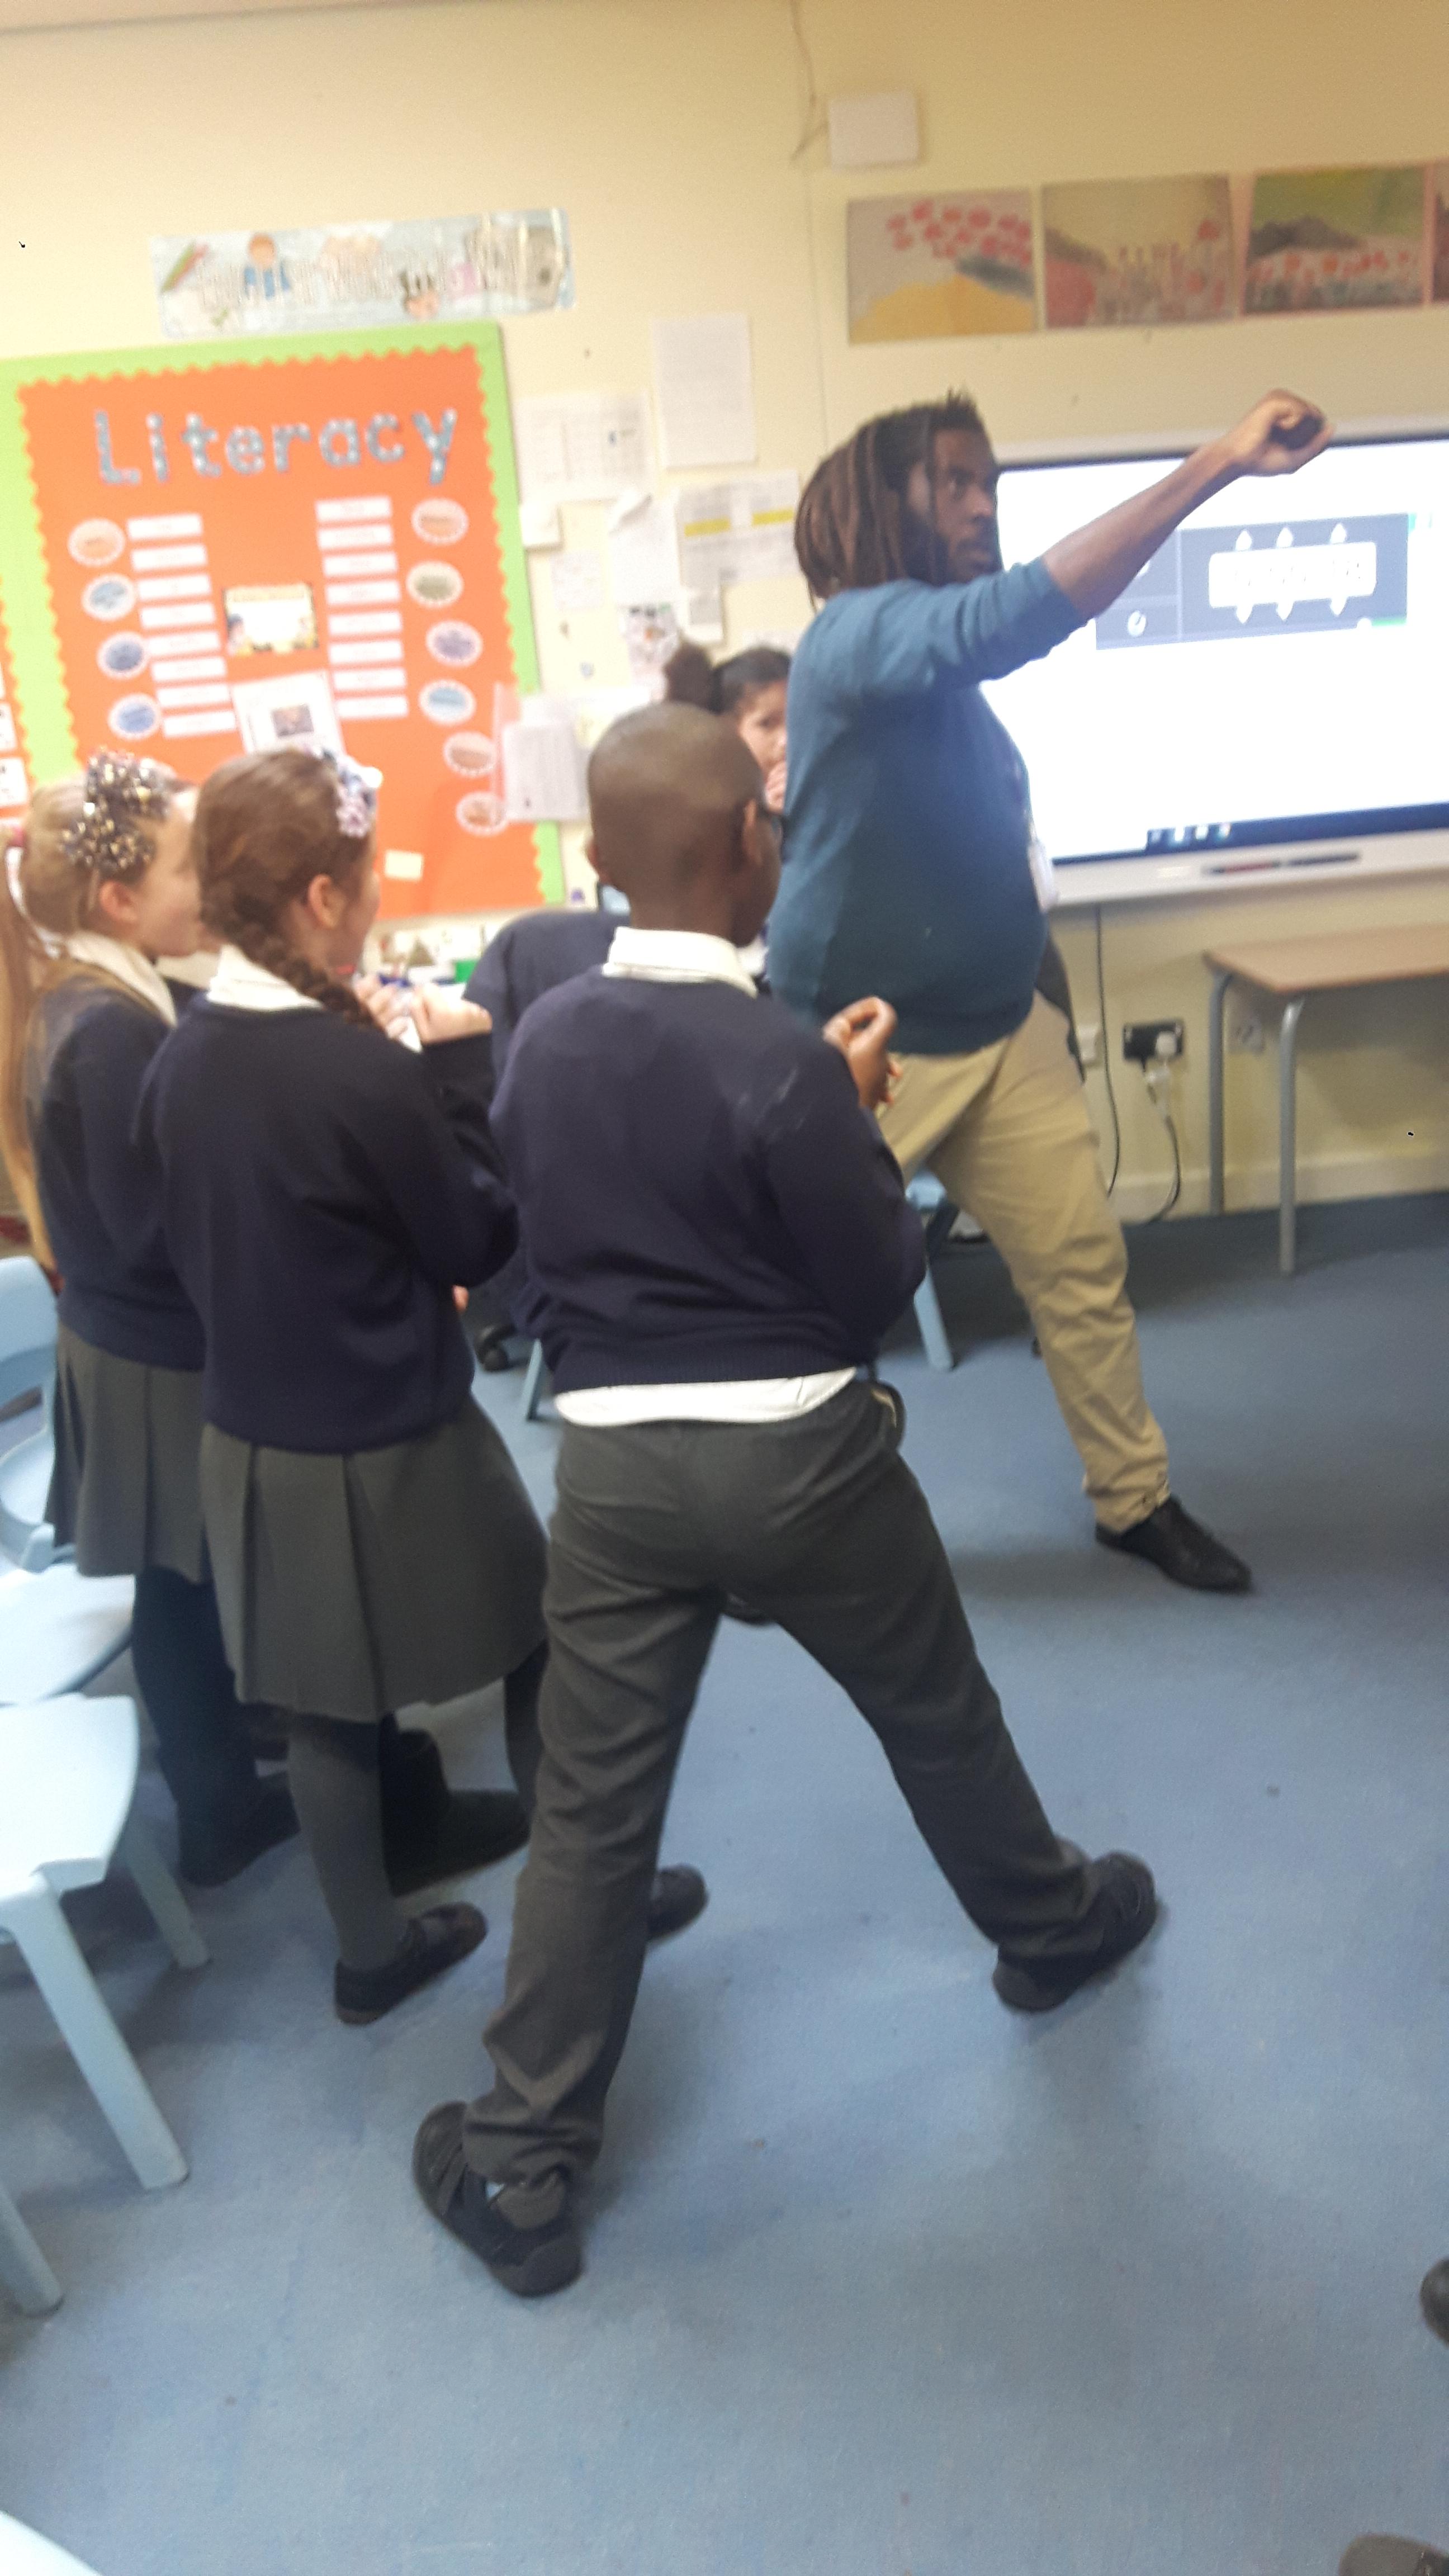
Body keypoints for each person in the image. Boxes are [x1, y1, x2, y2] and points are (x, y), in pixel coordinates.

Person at [412, 703, 1158, 2298]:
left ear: (598, 859)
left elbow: (547, 1222)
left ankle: (522, 2163)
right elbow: (871, 1283)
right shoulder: (781, 1060)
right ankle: (1052, 1930)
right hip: (803, 1462)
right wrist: (854, 1118)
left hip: (613, 1470)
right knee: (935, 1713)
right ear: (755, 844)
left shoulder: (542, 1036)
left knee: (592, 1812)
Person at [140, 746, 703, 2021]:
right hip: (395, 1431)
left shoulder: (180, 1056)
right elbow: (475, 1242)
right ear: (322, 899)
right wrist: (454, 1074)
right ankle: (599, 1906)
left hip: (253, 1436)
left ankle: (370, 1956)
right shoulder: (360, 1074)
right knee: (540, 1646)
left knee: (326, 1708)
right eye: (367, 877)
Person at [771, 388, 1334, 1594]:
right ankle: (761, 1531)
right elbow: (1016, 617)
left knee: (1082, 1272)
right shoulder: (854, 635)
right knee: (795, 1303)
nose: (983, 506)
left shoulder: (933, 679)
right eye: (955, 483)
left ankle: (1133, 1501)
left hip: (997, 1024)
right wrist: (1218, 462)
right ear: (884, 501)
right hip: (866, 1046)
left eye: (991, 484)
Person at [0, 756, 293, 1887]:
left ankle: (228, 1744)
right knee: (179, 1585)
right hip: (150, 1355)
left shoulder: (102, 993)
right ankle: (220, 1811)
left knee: (189, 1578)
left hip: (132, 1341)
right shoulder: (107, 1028)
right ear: (120, 900)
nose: (207, 883)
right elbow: (144, 1228)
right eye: (186, 865)